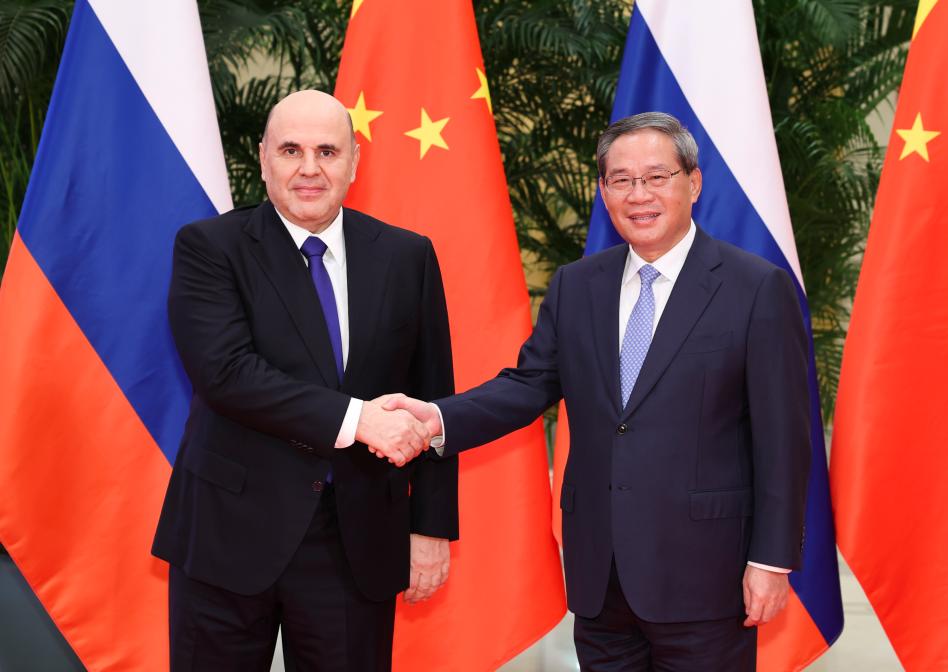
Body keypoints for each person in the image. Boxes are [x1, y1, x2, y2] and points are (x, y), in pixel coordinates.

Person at [384, 112, 811, 670]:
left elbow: (784, 440)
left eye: (656, 177)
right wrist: (436, 418)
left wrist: (772, 561)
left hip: (709, 578)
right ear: (604, 191)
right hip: (601, 578)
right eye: (621, 180)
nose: (639, 195)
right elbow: (527, 386)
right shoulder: (577, 285)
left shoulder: (755, 287)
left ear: (694, 183)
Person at [152, 90, 457, 671]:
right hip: (227, 536)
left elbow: (433, 400)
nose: (309, 168)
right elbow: (226, 373)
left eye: (327, 151)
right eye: (291, 150)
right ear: (263, 158)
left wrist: (431, 527)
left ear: (355, 162)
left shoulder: (406, 256)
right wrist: (358, 419)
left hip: (356, 541)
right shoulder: (210, 247)